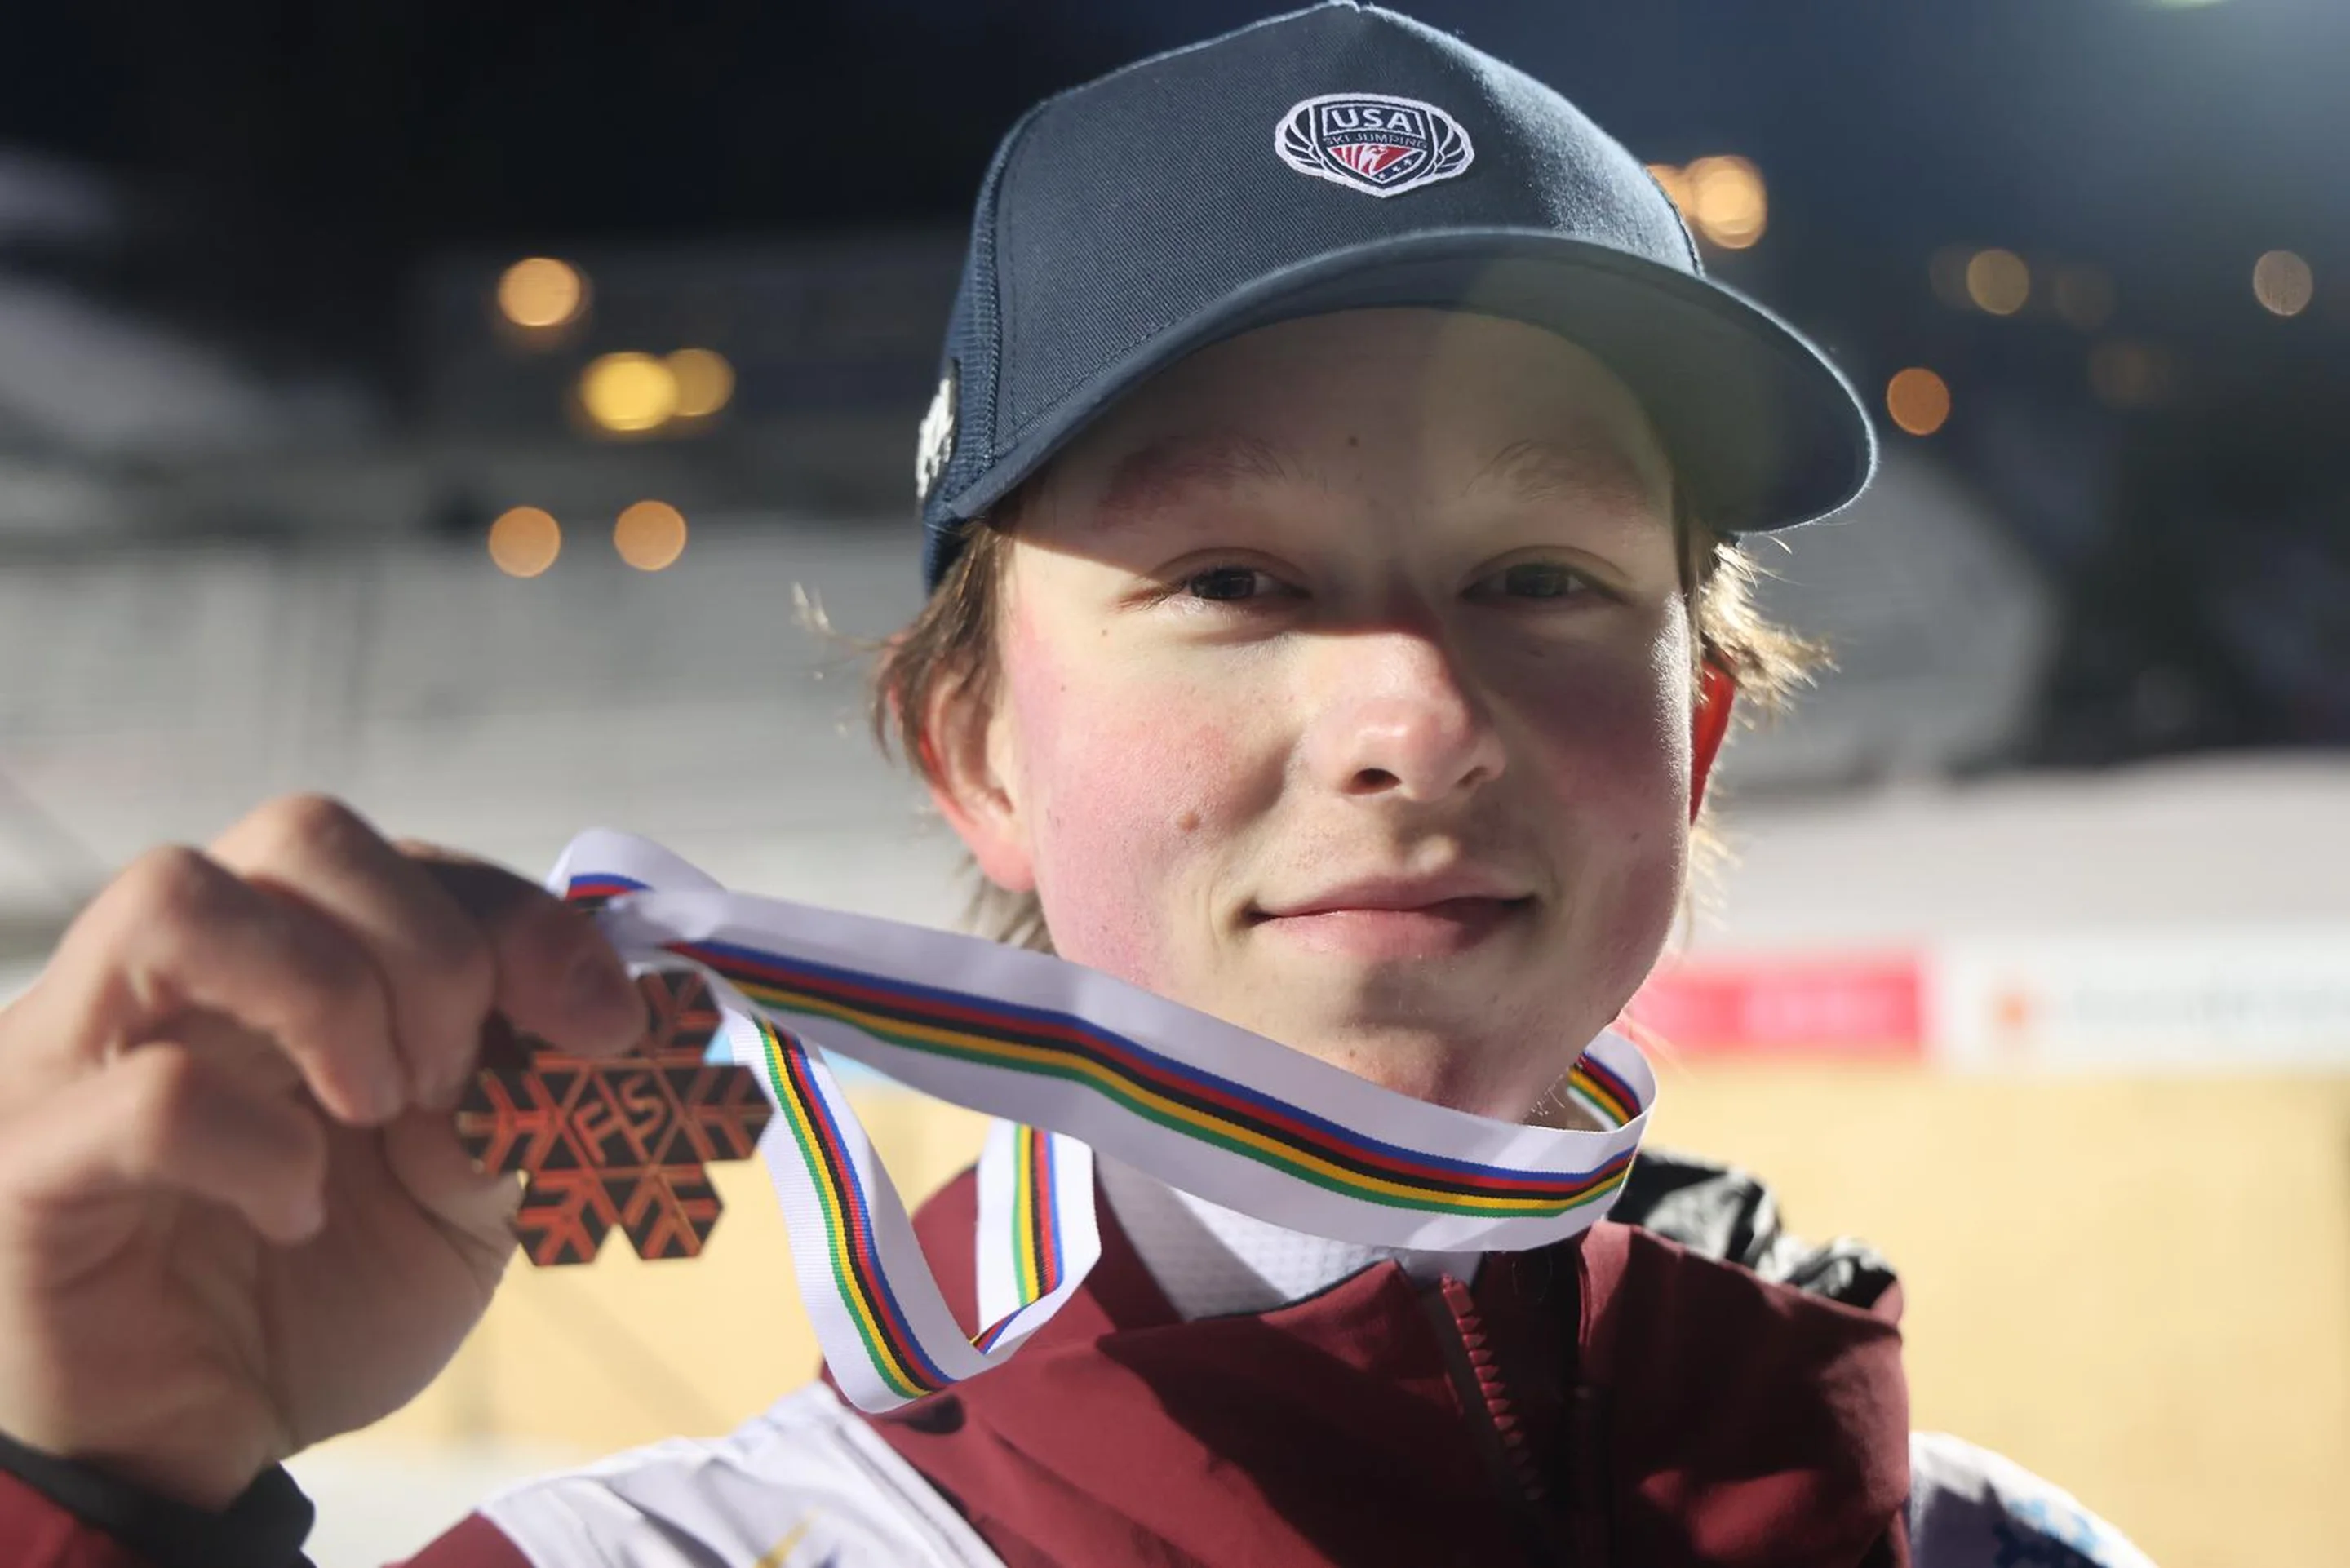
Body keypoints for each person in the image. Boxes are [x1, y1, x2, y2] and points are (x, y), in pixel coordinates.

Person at [0, 7, 2157, 1566]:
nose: (1417, 711)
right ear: (979, 761)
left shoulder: (2003, 1554)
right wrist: (98, 1495)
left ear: (1690, 743)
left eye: (1540, 575)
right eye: (1233, 578)